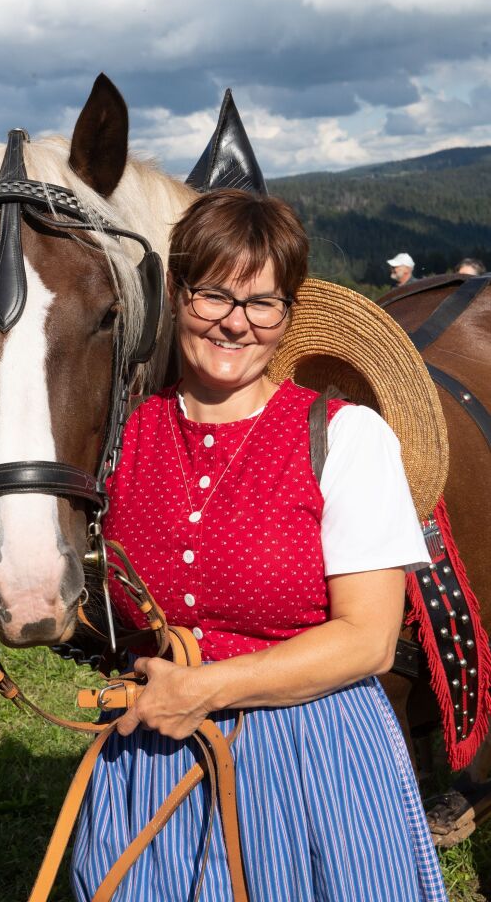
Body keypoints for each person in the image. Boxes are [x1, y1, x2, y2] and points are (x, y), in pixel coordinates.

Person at [71, 189, 447, 901]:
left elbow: (366, 641)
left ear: (287, 316)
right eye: (214, 295)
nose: (235, 324)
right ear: (177, 295)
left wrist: (204, 689)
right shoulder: (117, 435)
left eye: (261, 303)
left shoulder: (343, 438)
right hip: (151, 752)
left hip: (313, 752)